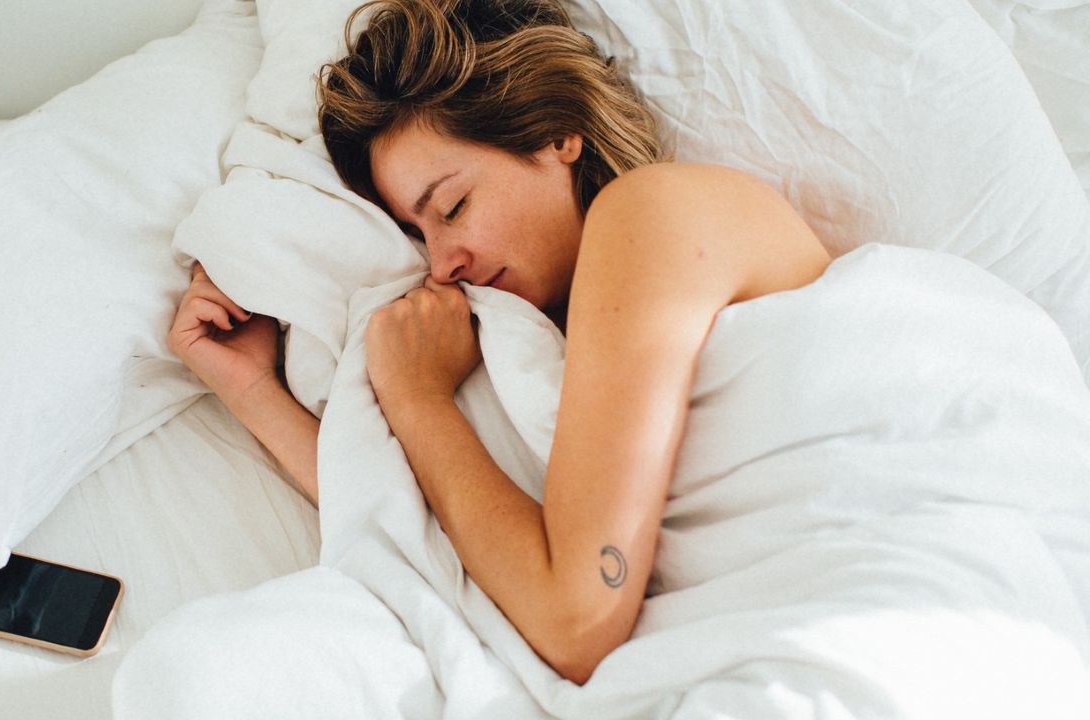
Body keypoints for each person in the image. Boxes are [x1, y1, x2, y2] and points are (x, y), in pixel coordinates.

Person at [167, 0, 832, 686]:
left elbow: (575, 623)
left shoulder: (654, 211)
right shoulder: (545, 344)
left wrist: (420, 398)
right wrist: (251, 391)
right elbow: (443, 541)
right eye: (419, 234)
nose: (442, 261)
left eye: (452, 207)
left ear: (555, 134)